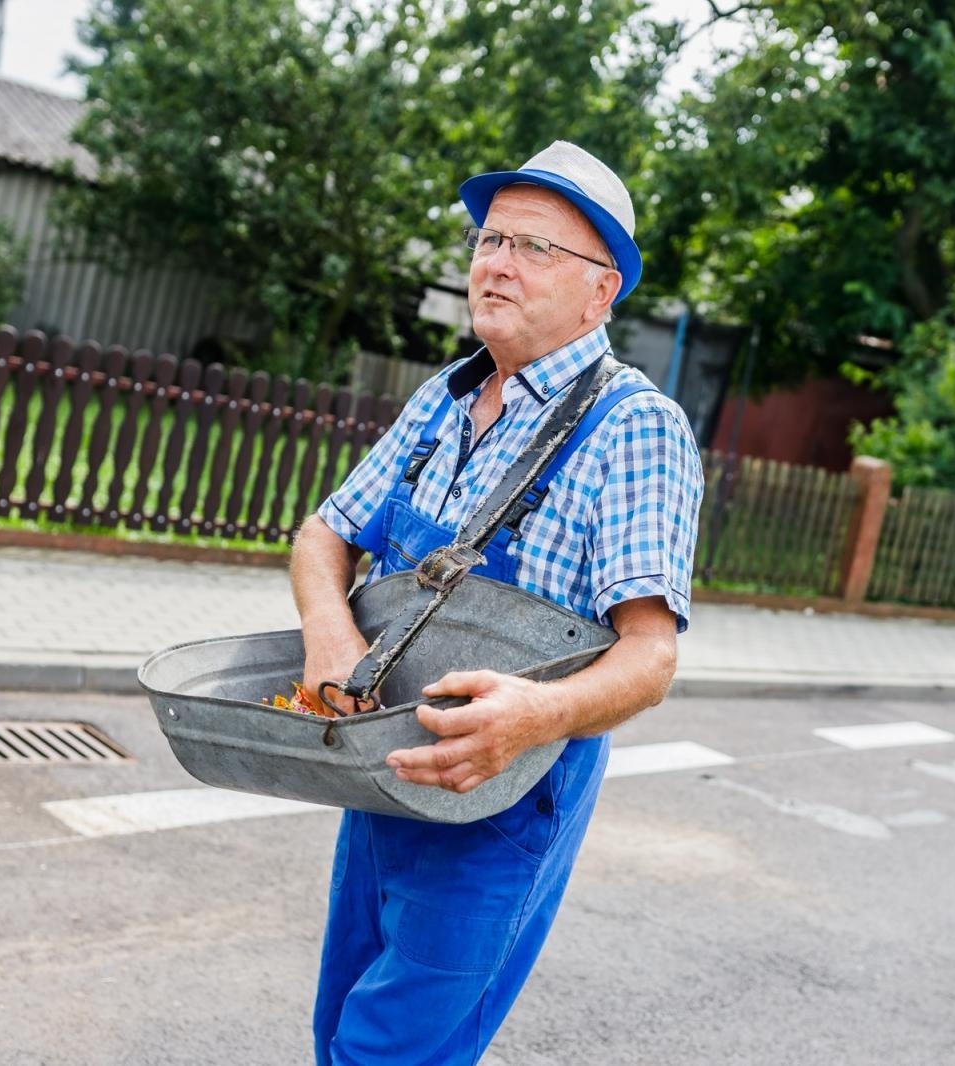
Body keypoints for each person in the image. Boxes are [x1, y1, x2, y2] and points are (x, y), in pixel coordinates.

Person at [290, 140, 703, 1065]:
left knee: (388, 1054)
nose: (496, 263)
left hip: (504, 796)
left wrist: (536, 715)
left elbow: (651, 655)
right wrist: (330, 634)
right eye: (489, 239)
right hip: (384, 771)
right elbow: (325, 535)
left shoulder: (636, 426)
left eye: (534, 248)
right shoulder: (447, 395)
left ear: (603, 292)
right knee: (339, 1032)